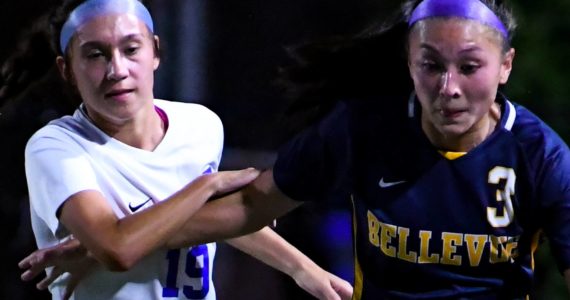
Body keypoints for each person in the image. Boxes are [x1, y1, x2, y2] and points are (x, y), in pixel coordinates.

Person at [21, 0, 570, 298]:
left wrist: (115, 243)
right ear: (409, 62)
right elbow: (251, 205)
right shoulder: (361, 129)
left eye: (470, 67)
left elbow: (225, 215)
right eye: (431, 65)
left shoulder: (542, 157)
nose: (449, 88)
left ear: (506, 66)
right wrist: (110, 244)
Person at [17, 0, 353, 299]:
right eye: (95, 55)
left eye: (131, 49)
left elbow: (209, 220)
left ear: (156, 52)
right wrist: (208, 184)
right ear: (67, 70)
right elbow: (118, 248)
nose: (117, 70)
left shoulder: (200, 125)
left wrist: (300, 268)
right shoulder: (56, 148)